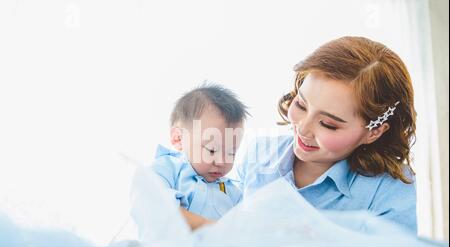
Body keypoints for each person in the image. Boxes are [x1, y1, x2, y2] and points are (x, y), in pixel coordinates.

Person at [184, 36, 418, 233]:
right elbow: (228, 233)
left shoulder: (390, 191)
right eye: (302, 105)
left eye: (328, 124)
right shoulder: (260, 153)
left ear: (374, 132)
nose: (303, 129)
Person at [141, 84, 249, 223]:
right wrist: (210, 228)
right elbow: (157, 206)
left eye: (231, 153)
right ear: (178, 138)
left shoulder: (234, 193)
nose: (222, 162)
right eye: (212, 150)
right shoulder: (168, 168)